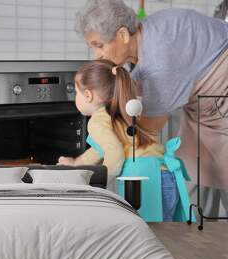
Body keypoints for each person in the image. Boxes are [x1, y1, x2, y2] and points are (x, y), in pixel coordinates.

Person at [75, 0, 228, 217]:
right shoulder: (144, 37)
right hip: (203, 103)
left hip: (221, 95)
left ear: (123, 35)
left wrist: (98, 137)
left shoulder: (159, 59)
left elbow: (145, 130)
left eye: (99, 45)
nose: (96, 55)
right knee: (194, 166)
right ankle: (198, 233)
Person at [58, 60, 191, 222]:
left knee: (146, 236)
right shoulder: (122, 110)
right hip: (165, 175)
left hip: (145, 182)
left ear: (88, 95)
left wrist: (100, 184)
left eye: (76, 93)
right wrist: (76, 165)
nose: (75, 98)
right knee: (163, 235)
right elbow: (100, 149)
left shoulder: (98, 121)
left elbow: (115, 154)